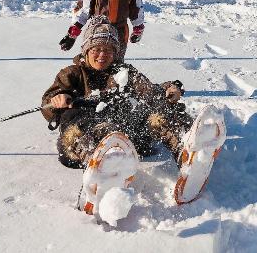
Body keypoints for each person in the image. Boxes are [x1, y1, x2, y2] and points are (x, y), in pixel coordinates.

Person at [43, 16, 226, 212]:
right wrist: (58, 99)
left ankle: (187, 150)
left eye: (108, 50)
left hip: (130, 140)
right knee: (72, 117)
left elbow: (150, 91)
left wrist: (169, 89)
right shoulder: (72, 74)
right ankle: (103, 167)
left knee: (155, 109)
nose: (102, 55)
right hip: (90, 142)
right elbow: (48, 103)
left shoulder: (124, 72)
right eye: (96, 49)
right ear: (86, 50)